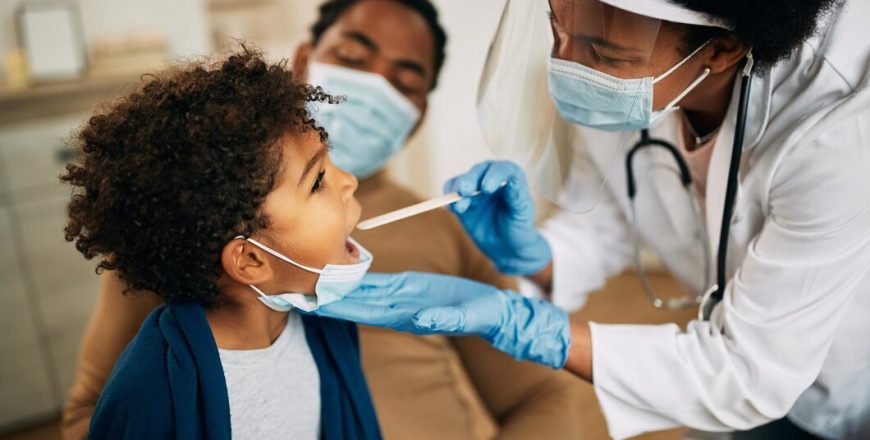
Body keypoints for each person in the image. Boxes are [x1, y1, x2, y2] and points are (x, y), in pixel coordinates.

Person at [310, 0, 870, 438]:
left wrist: (528, 327)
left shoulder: (836, 134)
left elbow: (748, 375)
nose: (569, 67)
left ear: (721, 50)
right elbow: (606, 223)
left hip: (844, 377)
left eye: (603, 55)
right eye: (559, 31)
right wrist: (536, 258)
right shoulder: (625, 71)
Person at [61, 1, 586, 439]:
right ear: (305, 61)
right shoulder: (179, 228)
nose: (372, 88)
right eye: (353, 56)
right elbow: (94, 412)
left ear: (421, 111)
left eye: (404, 80)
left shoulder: (449, 225)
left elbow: (541, 394)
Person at [61, 47, 380, 439]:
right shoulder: (147, 396)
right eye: (318, 182)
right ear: (249, 260)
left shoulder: (328, 327)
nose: (349, 180)